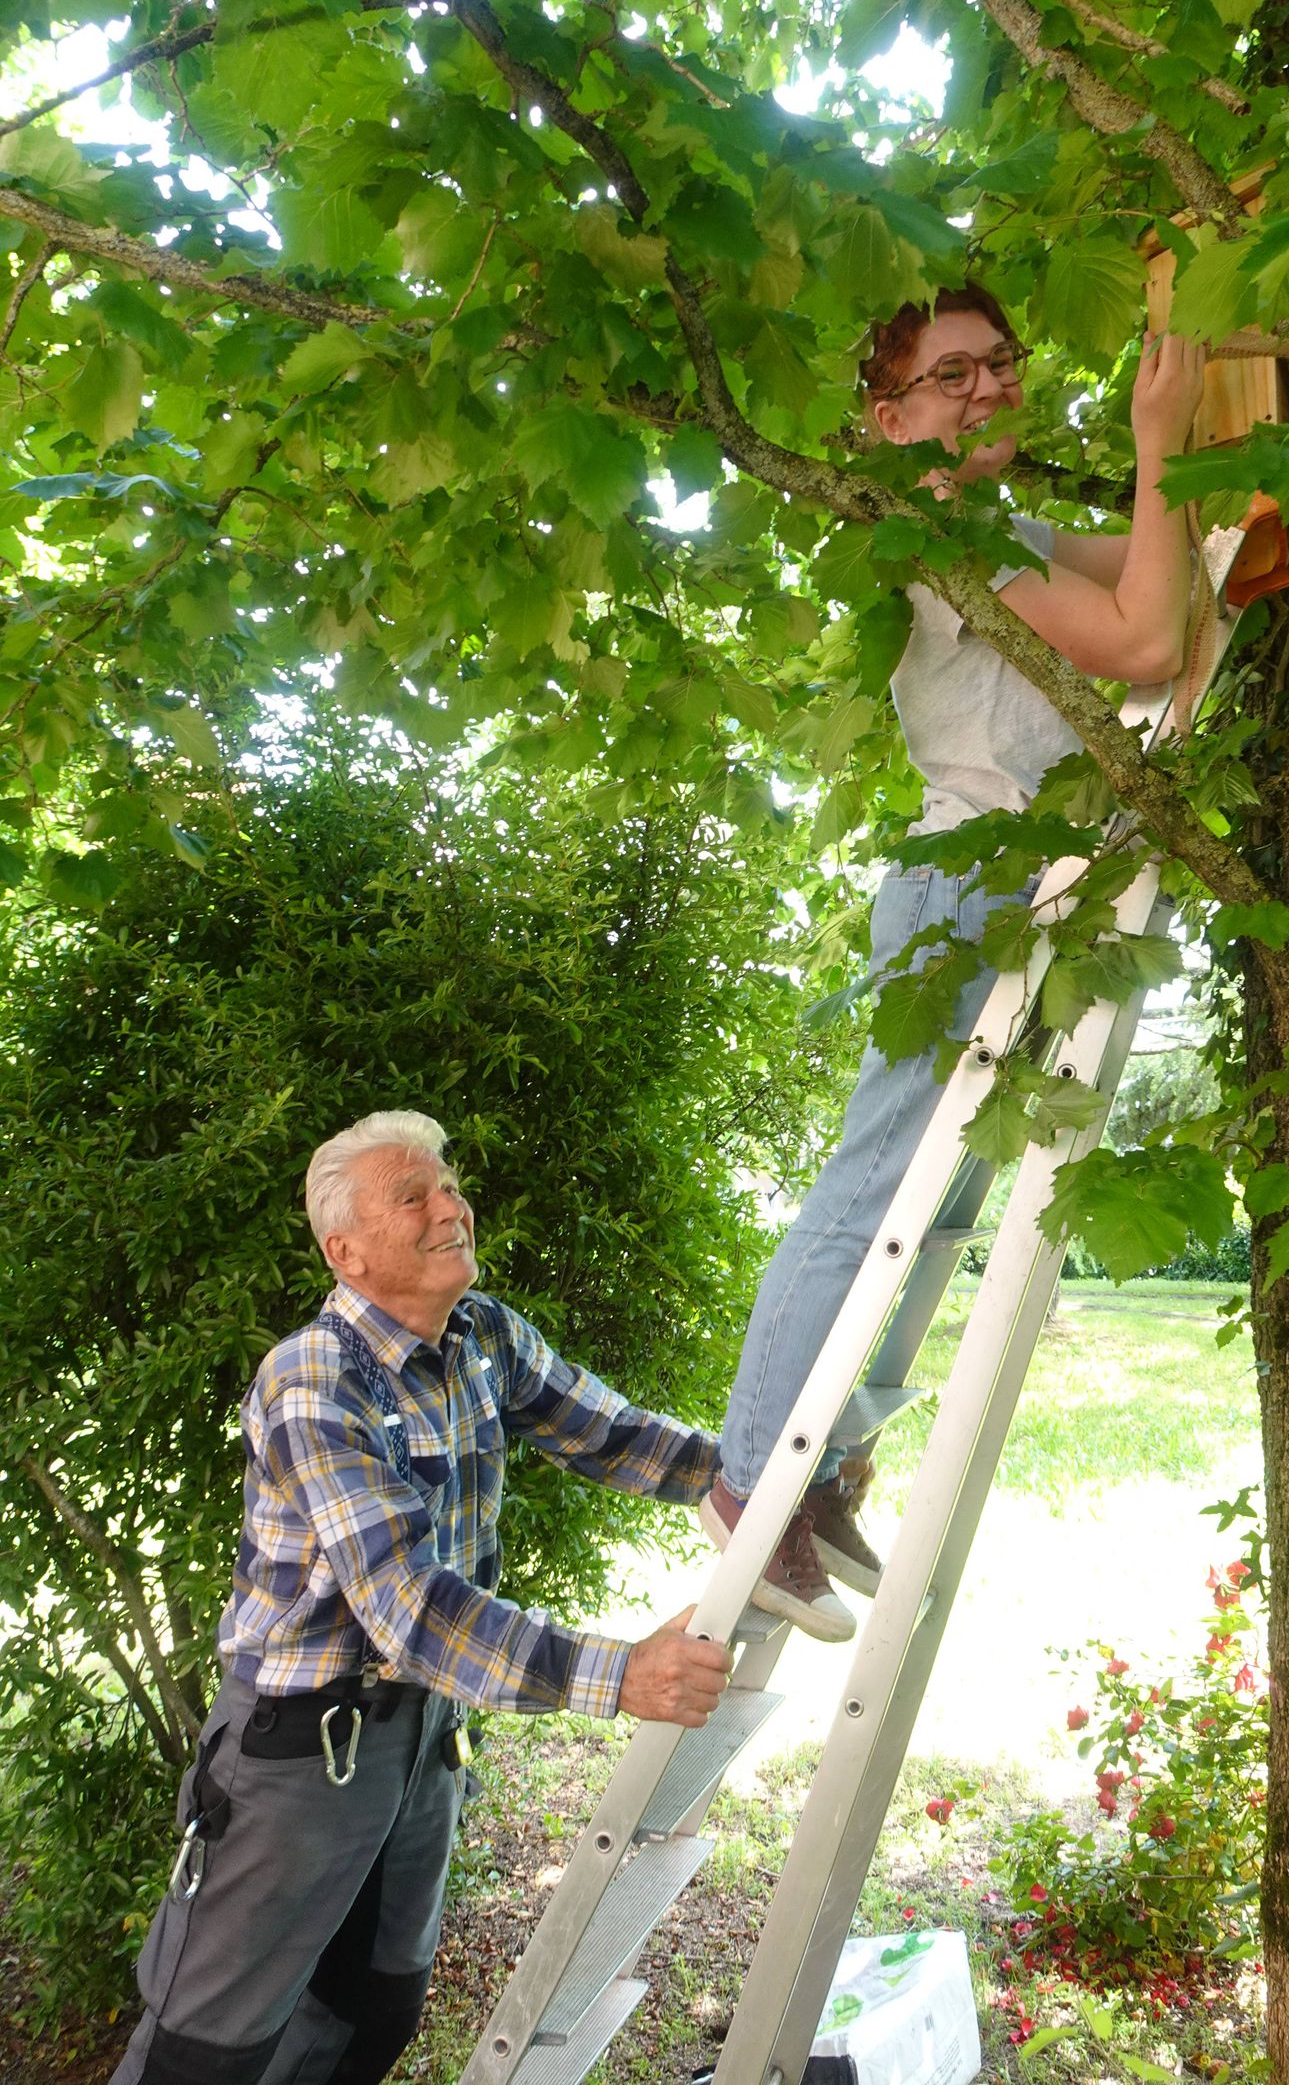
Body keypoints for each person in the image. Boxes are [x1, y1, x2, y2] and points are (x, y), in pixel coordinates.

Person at [701, 283, 1207, 1640]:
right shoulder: (935, 530)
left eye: (1006, 367)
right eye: (955, 373)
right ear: (887, 419)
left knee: (939, 1214)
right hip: (959, 898)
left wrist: (1218, 466)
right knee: (881, 1189)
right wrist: (1161, 438)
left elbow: (1171, 564)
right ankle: (752, 1479)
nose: (992, 388)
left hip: (1023, 898)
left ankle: (822, 1459)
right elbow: (1152, 641)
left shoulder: (1012, 531)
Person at [113, 1108, 732, 2085]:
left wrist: (752, 1479)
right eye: (416, 1196)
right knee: (208, 2051)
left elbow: (609, 1435)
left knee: (370, 2017)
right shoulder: (313, 1380)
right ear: (346, 1250)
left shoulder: (479, 1334)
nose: (452, 1205)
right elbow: (406, 1603)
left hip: (419, 1741)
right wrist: (621, 1677)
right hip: (296, 1754)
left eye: (448, 1184)